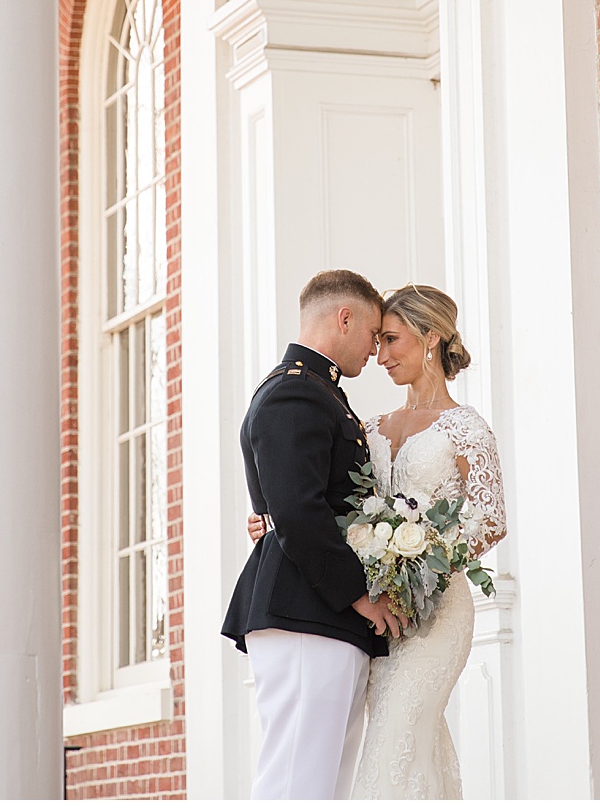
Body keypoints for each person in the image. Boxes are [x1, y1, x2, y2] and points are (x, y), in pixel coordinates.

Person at [246, 283, 507, 799]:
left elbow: (490, 520)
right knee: (398, 749)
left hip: (431, 611)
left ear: (430, 337)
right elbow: (333, 502)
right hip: (376, 613)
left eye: (392, 340)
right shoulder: (370, 426)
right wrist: (271, 519)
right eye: (377, 340)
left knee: (396, 739)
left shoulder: (465, 427)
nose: (380, 355)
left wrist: (422, 561)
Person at [221, 269, 409, 800]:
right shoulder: (296, 394)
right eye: (374, 334)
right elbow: (299, 512)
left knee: (322, 785)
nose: (376, 350)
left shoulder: (318, 392)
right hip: (307, 608)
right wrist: (359, 594)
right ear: (344, 318)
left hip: (319, 610)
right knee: (296, 782)